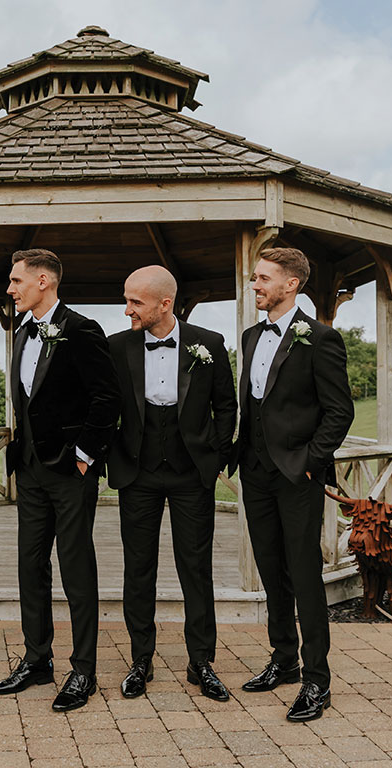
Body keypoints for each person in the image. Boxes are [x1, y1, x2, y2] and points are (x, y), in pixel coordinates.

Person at [0, 248, 121, 712]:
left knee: (76, 568)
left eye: (16, 281)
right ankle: (37, 660)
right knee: (30, 565)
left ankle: (83, 669)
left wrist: (84, 455)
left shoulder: (82, 331)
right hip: (30, 469)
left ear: (43, 280)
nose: (10, 289)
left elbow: (107, 399)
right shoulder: (22, 333)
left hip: (70, 469)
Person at [231, 246, 354, 722]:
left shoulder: (321, 339)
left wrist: (309, 462)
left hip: (297, 476)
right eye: (255, 277)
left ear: (291, 284)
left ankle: (316, 680)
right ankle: (283, 659)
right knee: (270, 571)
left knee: (304, 577)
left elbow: (339, 411)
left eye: (263, 278)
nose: (255, 284)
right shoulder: (248, 337)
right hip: (256, 474)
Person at [107, 265, 236, 702]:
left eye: (135, 302)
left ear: (165, 304)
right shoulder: (116, 347)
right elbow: (105, 408)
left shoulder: (210, 344)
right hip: (136, 473)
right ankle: (140, 659)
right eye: (126, 300)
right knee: (138, 570)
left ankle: (202, 662)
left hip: (190, 474)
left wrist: (213, 456)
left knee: (195, 570)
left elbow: (227, 407)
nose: (127, 311)